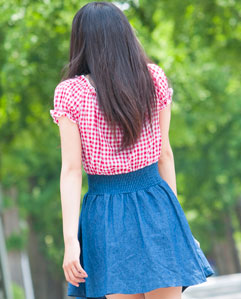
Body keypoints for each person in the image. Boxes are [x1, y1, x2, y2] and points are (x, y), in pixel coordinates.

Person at [49, 2, 215, 299]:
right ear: (125, 35)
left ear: (81, 41)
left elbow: (72, 171)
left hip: (105, 212)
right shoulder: (153, 79)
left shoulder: (71, 93)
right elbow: (165, 154)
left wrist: (70, 240)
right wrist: (175, 219)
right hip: (156, 204)